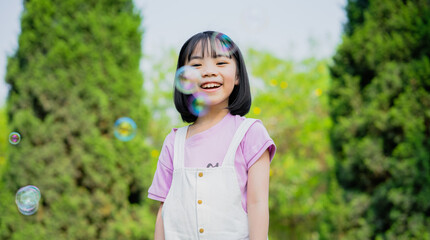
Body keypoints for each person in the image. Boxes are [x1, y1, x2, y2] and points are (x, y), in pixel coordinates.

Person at [148, 31, 276, 240]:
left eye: (220, 63)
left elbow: (258, 203)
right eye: (196, 65)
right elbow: (165, 211)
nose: (208, 72)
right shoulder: (174, 142)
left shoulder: (250, 133)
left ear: (237, 77)